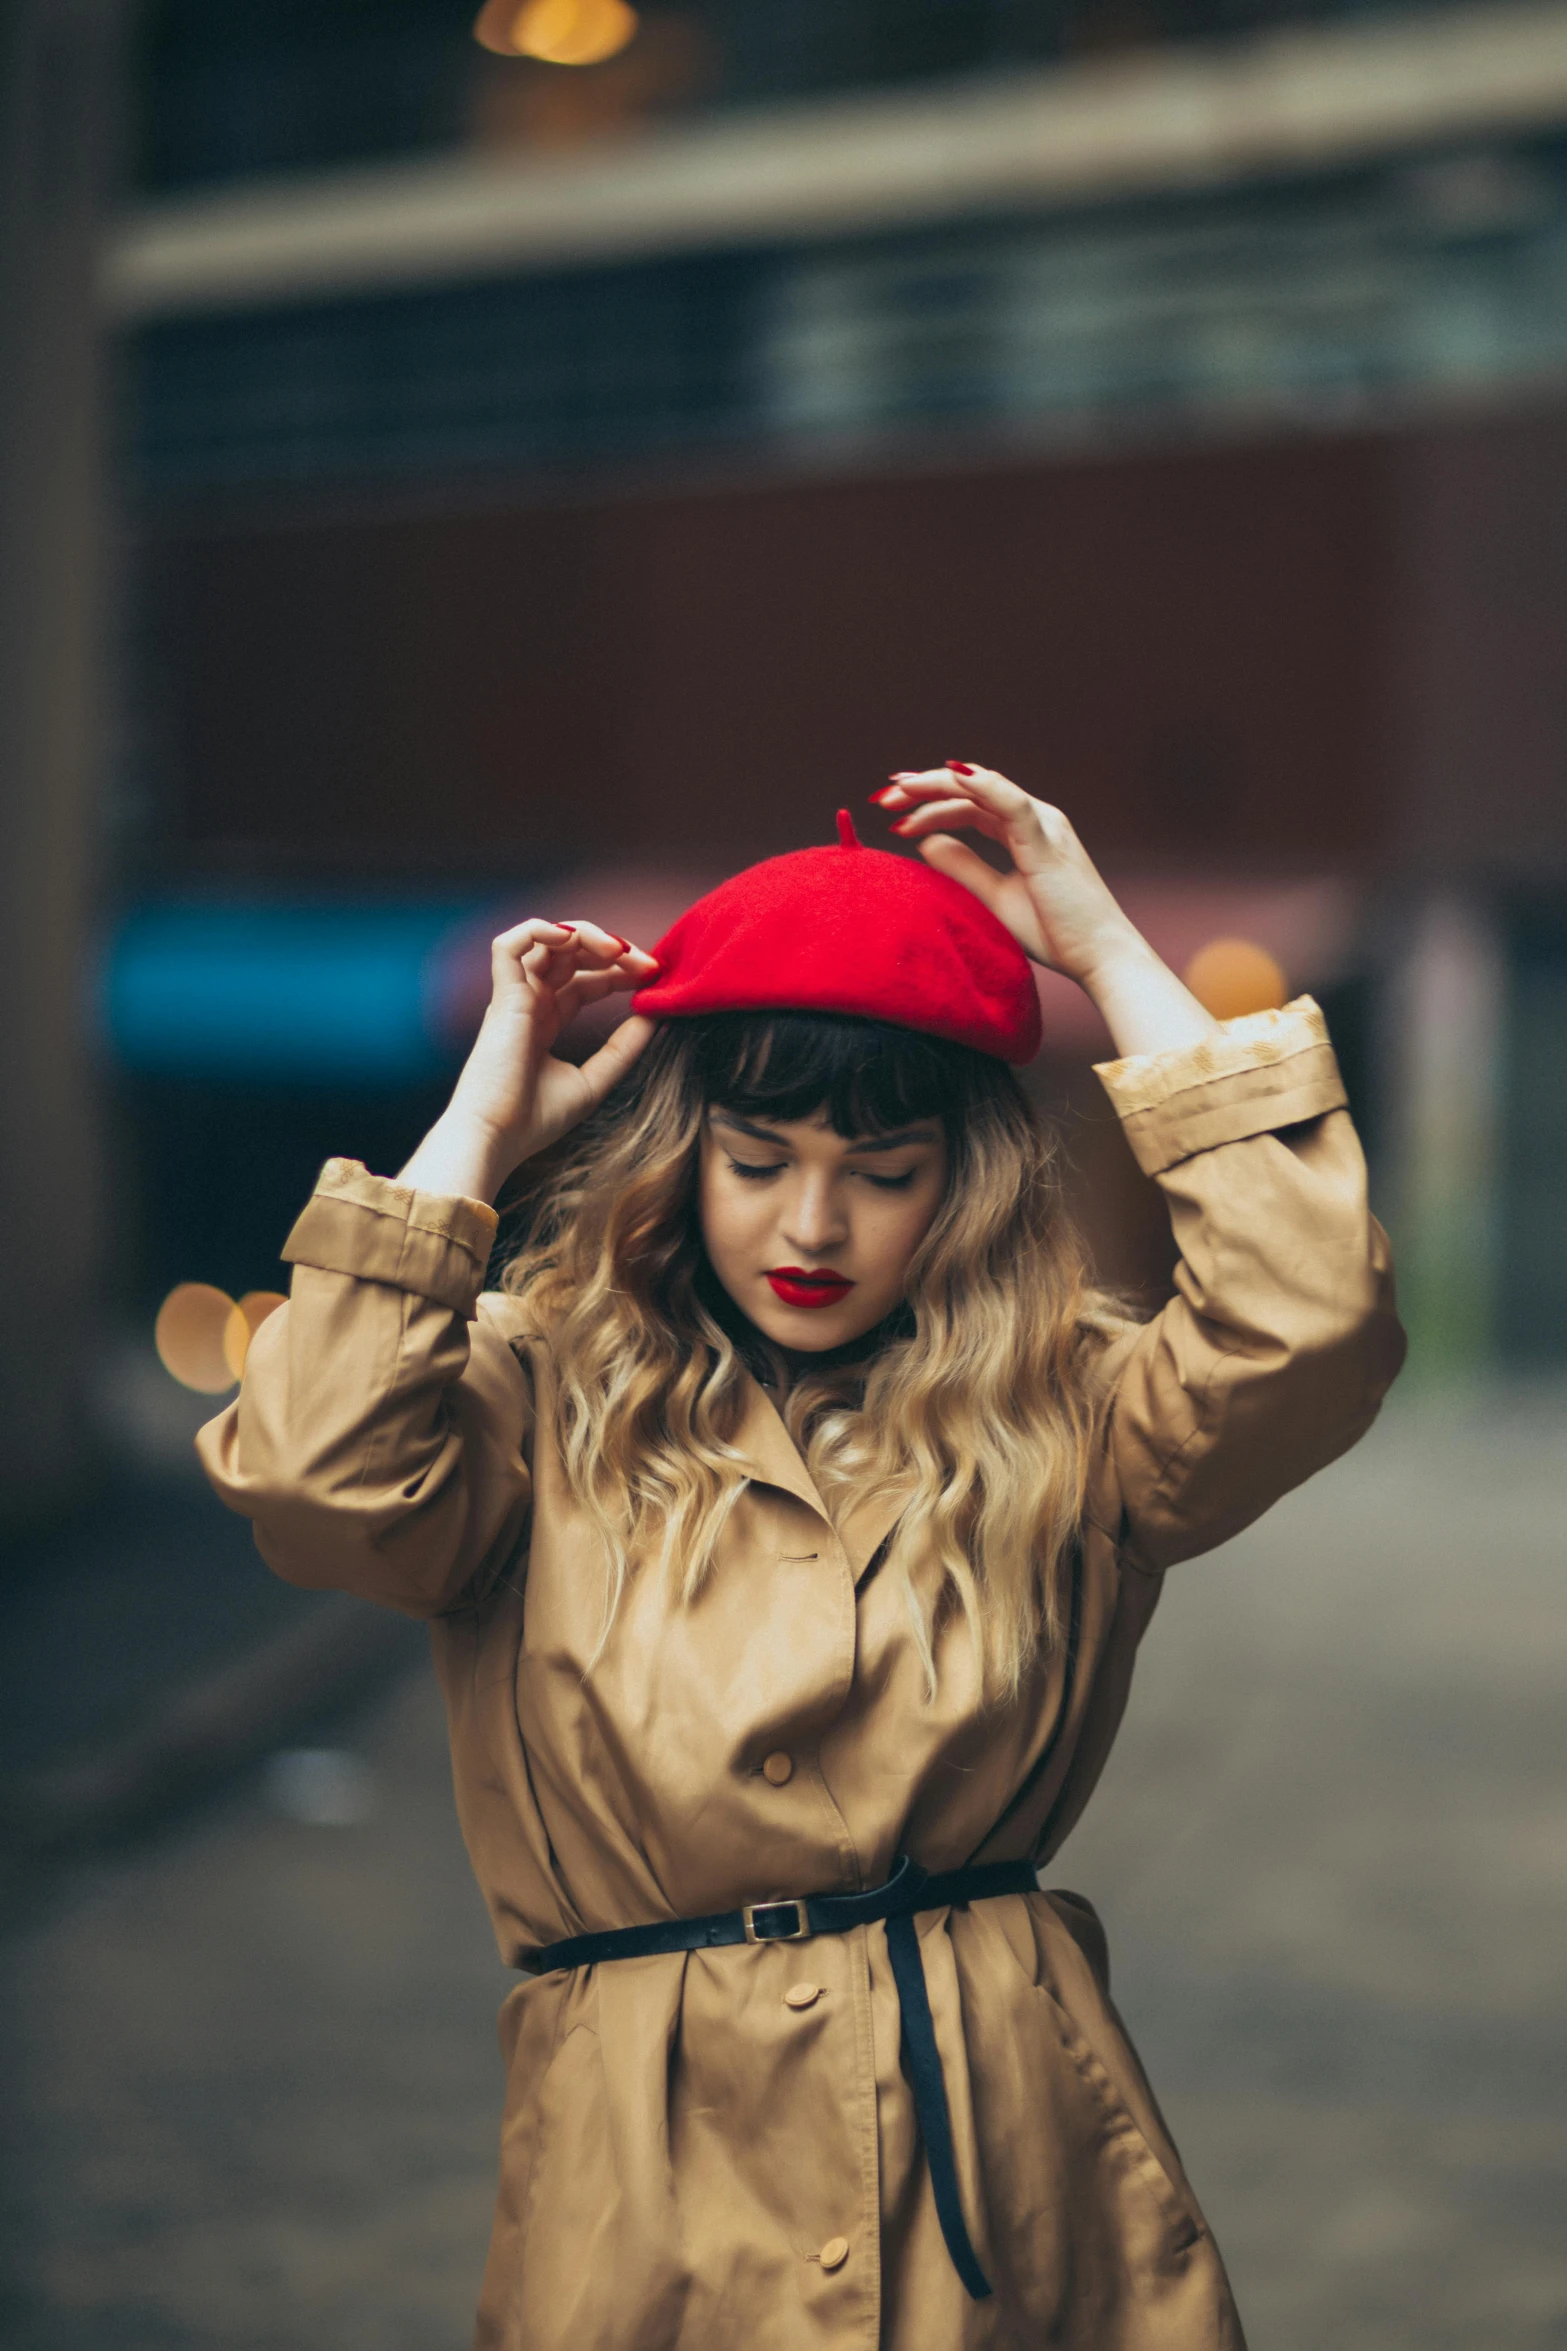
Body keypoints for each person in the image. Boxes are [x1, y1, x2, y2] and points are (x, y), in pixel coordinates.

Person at [199, 763, 1404, 2351]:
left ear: (959, 1181)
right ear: (679, 1159)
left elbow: (1311, 1319)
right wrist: (480, 1128)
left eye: (881, 1172)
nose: (811, 1226)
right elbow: (309, 1475)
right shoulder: (533, 1394)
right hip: (647, 2174)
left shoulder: (1074, 1407)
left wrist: (1105, 950)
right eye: (756, 1161)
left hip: (1001, 2156)